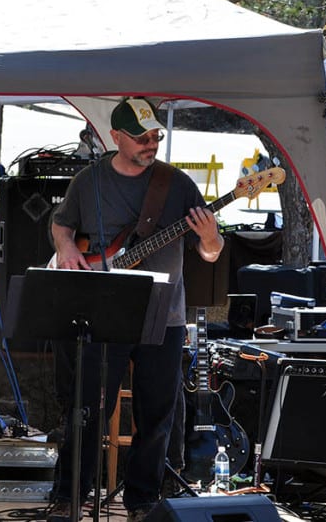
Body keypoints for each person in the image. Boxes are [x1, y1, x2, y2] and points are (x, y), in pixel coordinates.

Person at [47, 98, 223, 522]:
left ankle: (142, 501)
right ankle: (70, 494)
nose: (151, 144)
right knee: (86, 407)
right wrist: (67, 247)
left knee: (157, 411)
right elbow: (61, 223)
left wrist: (211, 237)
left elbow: (211, 254)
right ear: (116, 138)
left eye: (156, 136)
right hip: (102, 310)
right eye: (142, 137)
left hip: (164, 314)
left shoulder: (177, 184)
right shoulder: (88, 181)